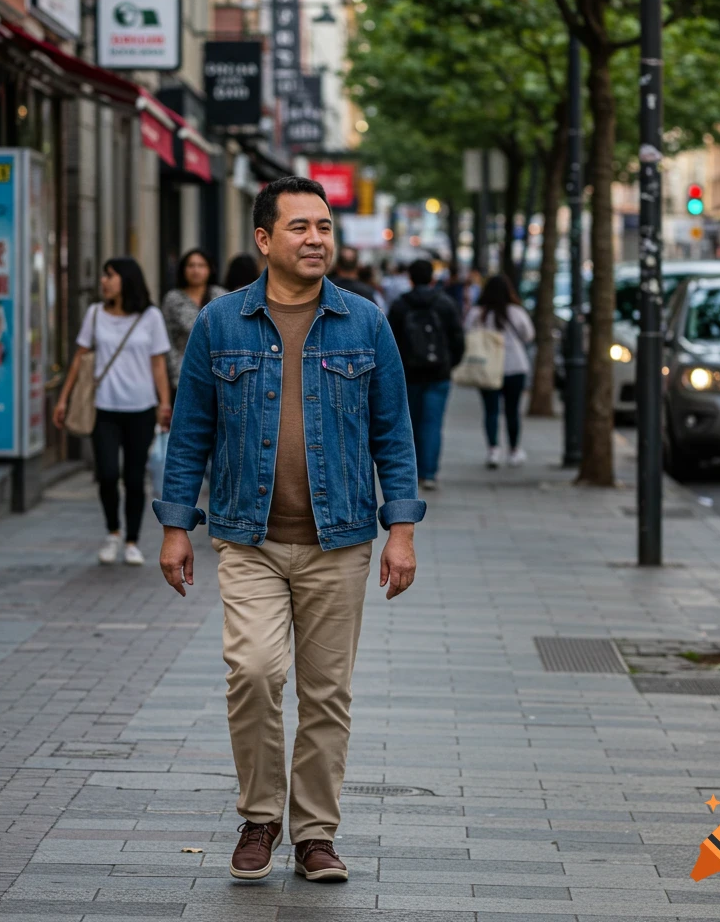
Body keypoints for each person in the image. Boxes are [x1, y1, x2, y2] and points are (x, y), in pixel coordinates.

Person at [155, 176, 424, 884]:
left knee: (326, 692)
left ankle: (313, 834)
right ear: (265, 240)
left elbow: (394, 434)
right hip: (249, 538)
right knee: (253, 671)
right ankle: (260, 815)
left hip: (339, 540)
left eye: (325, 227)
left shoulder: (365, 321)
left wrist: (401, 528)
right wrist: (175, 526)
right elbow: (190, 434)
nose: (316, 239)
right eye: (301, 227)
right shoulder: (220, 324)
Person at [54, 257, 172, 566]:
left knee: (134, 478)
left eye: (110, 275)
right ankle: (113, 532)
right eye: (104, 275)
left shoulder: (151, 317)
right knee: (107, 474)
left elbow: (158, 363)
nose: (104, 281)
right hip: (103, 408)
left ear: (126, 279)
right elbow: (79, 360)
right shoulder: (94, 314)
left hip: (141, 409)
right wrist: (63, 399)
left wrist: (164, 402)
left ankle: (132, 540)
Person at [387, 259, 465, 491]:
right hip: (439, 374)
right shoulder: (446, 304)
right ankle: (429, 473)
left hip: (409, 374)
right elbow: (458, 340)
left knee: (410, 423)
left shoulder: (401, 305)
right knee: (433, 422)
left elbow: (390, 342)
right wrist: (450, 364)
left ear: (410, 278)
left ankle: (414, 472)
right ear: (432, 278)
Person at [465, 274, 535, 467]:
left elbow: (467, 334)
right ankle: (513, 451)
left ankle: (493, 450)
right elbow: (529, 335)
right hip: (514, 367)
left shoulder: (478, 313)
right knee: (513, 411)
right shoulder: (516, 312)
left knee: (491, 411)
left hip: (486, 368)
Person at [161, 249, 227, 403]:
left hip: (219, 373)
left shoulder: (221, 296)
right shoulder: (173, 299)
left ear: (210, 269)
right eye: (191, 266)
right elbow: (167, 339)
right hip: (182, 374)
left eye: (201, 265)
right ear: (183, 269)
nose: (196, 270)